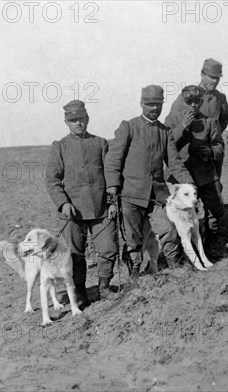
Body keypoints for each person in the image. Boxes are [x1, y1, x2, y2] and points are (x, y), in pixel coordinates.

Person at [104, 85, 193, 280]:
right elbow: (113, 161)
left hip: (158, 195)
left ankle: (172, 267)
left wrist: (191, 186)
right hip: (130, 194)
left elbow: (175, 164)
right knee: (132, 238)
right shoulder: (129, 127)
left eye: (158, 104)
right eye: (150, 104)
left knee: (169, 227)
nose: (154, 108)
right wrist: (112, 193)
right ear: (141, 103)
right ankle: (134, 275)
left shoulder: (165, 132)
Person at [45, 100, 118, 303]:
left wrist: (112, 202)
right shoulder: (59, 146)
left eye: (81, 119)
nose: (78, 123)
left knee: (108, 248)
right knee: (75, 255)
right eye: (73, 120)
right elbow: (52, 180)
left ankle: (104, 286)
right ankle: (79, 292)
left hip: (101, 209)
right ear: (66, 122)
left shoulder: (100, 143)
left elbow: (111, 175)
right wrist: (63, 203)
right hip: (73, 212)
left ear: (88, 119)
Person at [166, 85, 225, 258]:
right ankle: (181, 252)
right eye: (189, 101)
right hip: (180, 175)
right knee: (179, 213)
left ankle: (210, 246)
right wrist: (183, 126)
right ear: (182, 101)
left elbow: (219, 146)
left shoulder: (210, 121)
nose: (193, 105)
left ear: (201, 102)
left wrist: (210, 152)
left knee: (214, 210)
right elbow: (166, 145)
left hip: (205, 174)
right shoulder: (172, 120)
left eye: (197, 101)